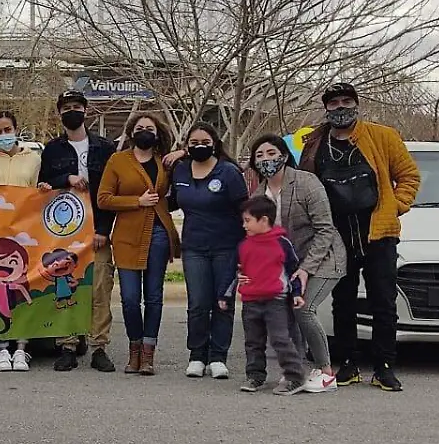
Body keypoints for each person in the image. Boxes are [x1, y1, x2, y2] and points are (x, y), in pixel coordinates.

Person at [299, 83, 421, 391]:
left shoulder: (383, 136)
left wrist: (396, 206)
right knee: (343, 301)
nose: (340, 108)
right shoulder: (315, 143)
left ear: (356, 104)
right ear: (326, 108)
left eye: (346, 101)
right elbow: (306, 185)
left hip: (378, 231)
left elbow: (408, 176)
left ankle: (384, 366)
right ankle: (348, 364)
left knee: (383, 301)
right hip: (336, 235)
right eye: (334, 103)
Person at [249, 134, 345, 392]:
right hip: (289, 263)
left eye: (271, 153)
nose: (266, 159)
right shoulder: (260, 194)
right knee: (285, 311)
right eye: (259, 156)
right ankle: (295, 370)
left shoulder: (306, 182)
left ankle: (326, 372)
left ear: (283, 155)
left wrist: (305, 269)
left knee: (304, 309)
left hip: (325, 257)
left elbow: (325, 229)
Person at [38, 90, 119, 373]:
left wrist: (104, 229)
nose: (71, 111)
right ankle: (68, 345)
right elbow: (43, 184)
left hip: (96, 230)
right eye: (66, 107)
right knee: (65, 289)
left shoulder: (105, 147)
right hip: (64, 233)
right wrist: (65, 178)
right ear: (60, 114)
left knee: (99, 290)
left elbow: (112, 191)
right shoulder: (52, 150)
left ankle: (99, 346)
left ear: (86, 111)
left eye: (76, 106)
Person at [97, 112, 180, 375]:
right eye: (140, 127)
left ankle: (147, 355)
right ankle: (133, 349)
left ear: (157, 134)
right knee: (130, 298)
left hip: (157, 234)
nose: (145, 131)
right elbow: (104, 199)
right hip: (126, 236)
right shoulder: (118, 160)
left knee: (154, 297)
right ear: (131, 132)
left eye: (150, 128)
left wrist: (181, 153)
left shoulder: (164, 162)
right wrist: (137, 201)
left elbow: (207, 153)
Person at [168, 124, 246, 380]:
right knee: (198, 303)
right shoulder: (180, 170)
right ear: (187, 145)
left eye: (204, 140)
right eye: (193, 142)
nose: (199, 145)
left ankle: (218, 357)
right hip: (194, 248)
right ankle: (197, 355)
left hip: (226, 247)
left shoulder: (229, 172)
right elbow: (168, 201)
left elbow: (244, 210)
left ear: (215, 142)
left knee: (222, 303)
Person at [0, 110, 49, 372]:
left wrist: (44, 190)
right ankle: (1, 349)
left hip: (26, 236)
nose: (4, 135)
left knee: (20, 290)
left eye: (8, 130)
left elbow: (40, 190)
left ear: (16, 130)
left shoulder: (33, 159)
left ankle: (22, 349)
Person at [222, 196, 307, 396]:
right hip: (251, 301)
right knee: (253, 341)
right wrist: (225, 295)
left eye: (247, 220)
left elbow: (293, 270)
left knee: (280, 339)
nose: (244, 225)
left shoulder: (281, 243)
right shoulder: (243, 245)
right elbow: (232, 271)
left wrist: (296, 293)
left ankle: (295, 376)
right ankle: (255, 376)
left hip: (275, 301)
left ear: (264, 220)